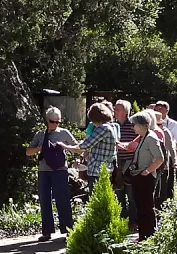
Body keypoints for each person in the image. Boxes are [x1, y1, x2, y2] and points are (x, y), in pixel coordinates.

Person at [27, 107, 77, 242]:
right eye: (52, 121)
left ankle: (68, 231)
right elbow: (28, 151)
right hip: (44, 171)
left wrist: (65, 147)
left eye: (58, 122)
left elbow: (78, 148)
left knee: (63, 200)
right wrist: (40, 148)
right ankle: (47, 231)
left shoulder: (64, 133)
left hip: (60, 170)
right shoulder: (40, 134)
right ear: (47, 120)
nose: (55, 124)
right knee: (45, 200)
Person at [124, 111, 168, 240]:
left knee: (146, 207)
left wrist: (147, 171)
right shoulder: (143, 137)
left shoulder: (151, 138)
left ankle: (149, 235)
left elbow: (160, 158)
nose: (132, 127)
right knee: (140, 206)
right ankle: (143, 235)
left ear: (143, 125)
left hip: (146, 178)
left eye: (134, 125)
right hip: (139, 177)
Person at [152, 100, 177, 204]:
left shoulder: (173, 124)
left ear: (166, 110)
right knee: (159, 183)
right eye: (156, 109)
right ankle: (159, 203)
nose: (158, 110)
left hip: (169, 157)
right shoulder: (151, 125)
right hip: (156, 158)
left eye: (161, 108)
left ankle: (168, 203)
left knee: (168, 182)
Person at [79, 102, 117, 194]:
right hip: (105, 170)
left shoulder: (103, 128)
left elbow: (84, 146)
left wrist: (67, 146)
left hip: (97, 172)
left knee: (96, 198)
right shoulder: (111, 126)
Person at [110, 100, 136, 222]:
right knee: (118, 194)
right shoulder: (112, 125)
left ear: (125, 112)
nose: (115, 111)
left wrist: (122, 145)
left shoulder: (133, 125)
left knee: (132, 196)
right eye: (114, 109)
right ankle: (122, 221)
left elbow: (136, 143)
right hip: (116, 164)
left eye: (118, 109)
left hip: (130, 163)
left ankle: (133, 221)